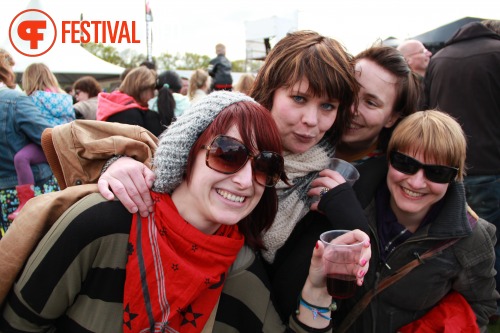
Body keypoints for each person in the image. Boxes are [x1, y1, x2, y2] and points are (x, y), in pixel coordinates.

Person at [0, 91, 371, 333]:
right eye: (228, 153)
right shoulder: (103, 222)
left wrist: (317, 291)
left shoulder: (239, 265)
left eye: (264, 164)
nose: (245, 180)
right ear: (187, 153)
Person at [84, 30, 362, 323]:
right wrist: (116, 163)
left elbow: (342, 297)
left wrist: (353, 222)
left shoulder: (331, 187)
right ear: (270, 91)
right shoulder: (217, 131)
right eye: (299, 98)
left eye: (327, 106)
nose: (311, 119)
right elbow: (154, 160)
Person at [318, 110, 498, 332]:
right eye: (405, 163)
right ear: (389, 159)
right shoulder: (353, 203)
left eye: (437, 173)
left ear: (454, 177)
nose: (416, 182)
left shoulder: (471, 239)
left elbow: (480, 306)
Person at [424, 19, 500, 316]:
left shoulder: (440, 58)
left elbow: (425, 109)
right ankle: (488, 302)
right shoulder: (496, 53)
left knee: (454, 235)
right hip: (489, 164)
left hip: (446, 166)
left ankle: (458, 299)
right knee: (487, 238)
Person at [6, 63, 74, 222]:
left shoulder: (32, 99)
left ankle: (25, 202)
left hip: (48, 143)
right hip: (63, 142)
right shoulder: (64, 97)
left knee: (21, 158)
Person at [335, 45, 420, 165]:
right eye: (349, 92)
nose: (351, 109)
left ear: (392, 118)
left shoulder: (394, 176)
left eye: (370, 103)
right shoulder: (304, 135)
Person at [0, 54, 55, 233]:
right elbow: (48, 138)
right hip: (29, 189)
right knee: (39, 250)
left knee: (11, 253)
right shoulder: (13, 100)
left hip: (7, 192)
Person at [96, 66, 163, 136]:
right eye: (152, 88)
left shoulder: (112, 104)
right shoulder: (132, 114)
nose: (153, 93)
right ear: (143, 88)